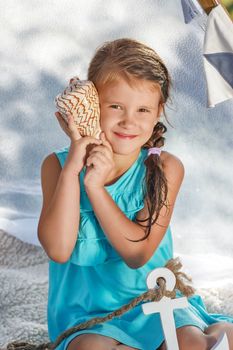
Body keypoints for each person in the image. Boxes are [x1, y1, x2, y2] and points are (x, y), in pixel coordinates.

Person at [37, 38, 233, 350]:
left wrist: (96, 188)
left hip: (154, 303)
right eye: (115, 106)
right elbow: (59, 249)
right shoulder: (58, 166)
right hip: (89, 316)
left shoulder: (165, 167)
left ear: (158, 112)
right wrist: (75, 169)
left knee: (192, 343)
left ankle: (213, 330)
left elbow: (137, 253)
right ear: (91, 103)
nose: (129, 121)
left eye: (143, 109)